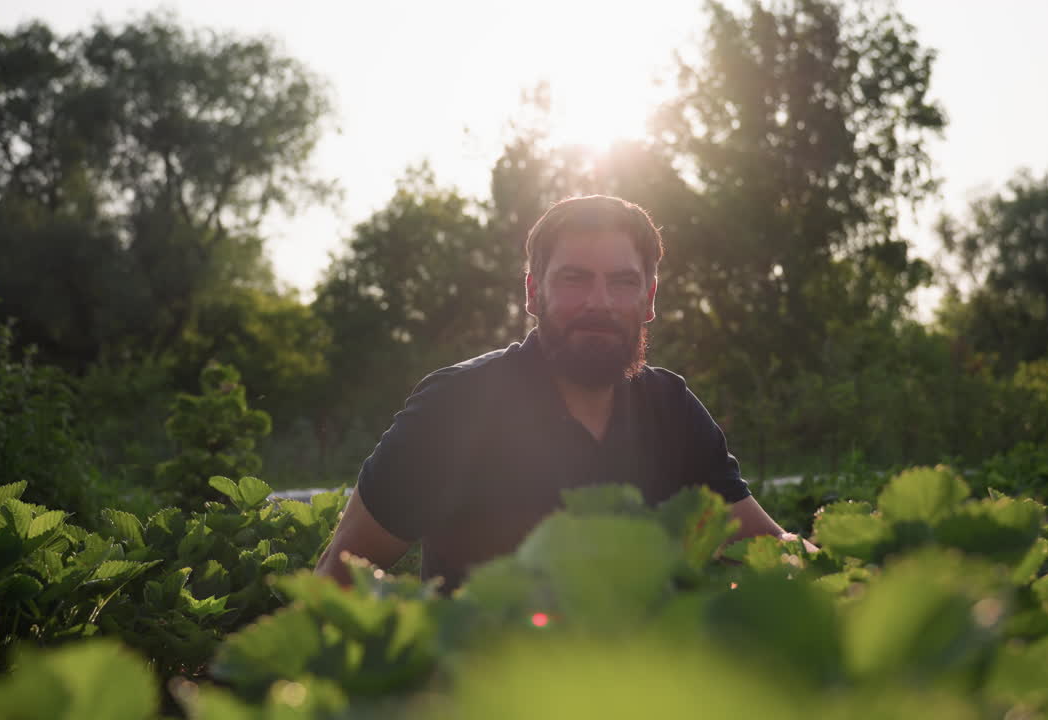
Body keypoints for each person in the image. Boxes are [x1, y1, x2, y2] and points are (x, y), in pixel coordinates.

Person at [315, 195, 811, 592]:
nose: (599, 302)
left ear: (649, 299)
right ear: (533, 292)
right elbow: (340, 576)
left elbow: (766, 546)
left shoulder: (671, 410)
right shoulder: (455, 408)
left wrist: (869, 564)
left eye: (622, 282)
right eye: (575, 279)